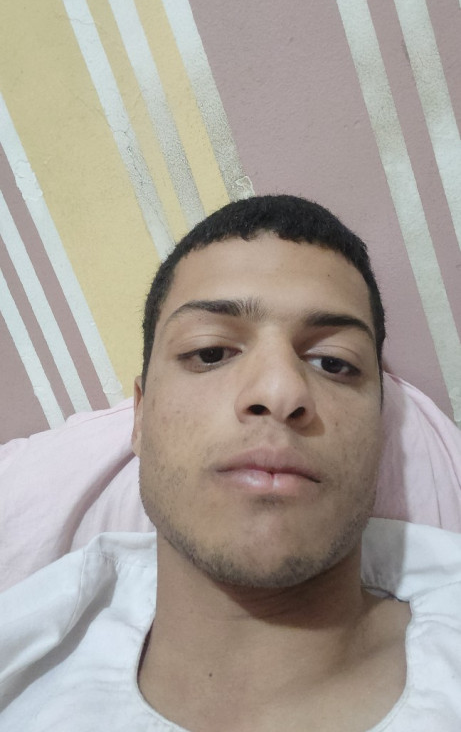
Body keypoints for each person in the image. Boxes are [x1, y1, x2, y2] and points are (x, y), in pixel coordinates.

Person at [0, 195, 460, 731]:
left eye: (333, 363)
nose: (279, 392)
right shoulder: (25, 662)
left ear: (380, 429)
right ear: (140, 418)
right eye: (211, 353)